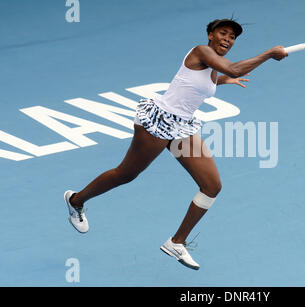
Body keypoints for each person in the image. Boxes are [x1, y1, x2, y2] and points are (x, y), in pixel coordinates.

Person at [64, 18, 288, 270]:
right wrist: (269, 53)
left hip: (182, 126)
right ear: (211, 35)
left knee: (212, 186)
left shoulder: (213, 66)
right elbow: (235, 69)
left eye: (232, 37)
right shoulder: (201, 51)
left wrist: (223, 81)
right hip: (159, 121)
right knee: (126, 174)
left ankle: (176, 241)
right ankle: (76, 200)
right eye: (223, 33)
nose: (228, 39)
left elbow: (205, 82)